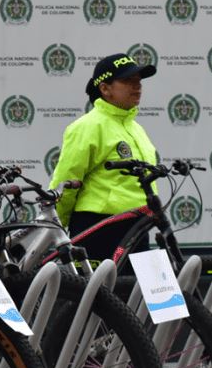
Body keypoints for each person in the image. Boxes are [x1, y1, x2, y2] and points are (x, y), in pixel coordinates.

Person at [49, 53, 158, 261]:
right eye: (127, 81)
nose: (137, 86)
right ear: (105, 89)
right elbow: (66, 181)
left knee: (142, 292)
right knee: (102, 293)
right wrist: (57, 226)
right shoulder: (87, 126)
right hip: (99, 227)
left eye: (138, 81)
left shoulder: (136, 128)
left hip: (137, 224)